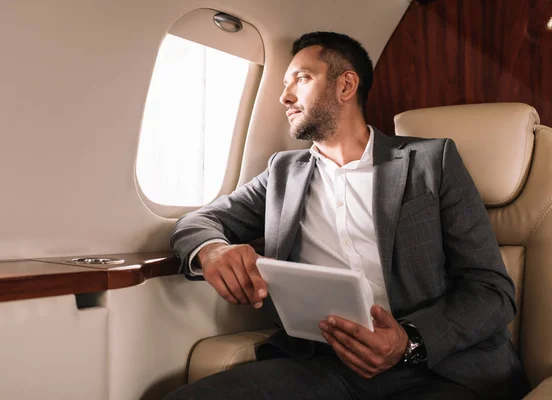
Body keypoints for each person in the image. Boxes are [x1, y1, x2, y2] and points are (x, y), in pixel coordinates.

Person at [166, 31, 530, 400]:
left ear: (346, 85)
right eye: (284, 83)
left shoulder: (431, 162)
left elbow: (492, 290)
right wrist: (212, 251)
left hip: (438, 365)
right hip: (327, 366)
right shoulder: (282, 173)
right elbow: (196, 223)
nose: (284, 96)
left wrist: (408, 341)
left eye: (302, 78)